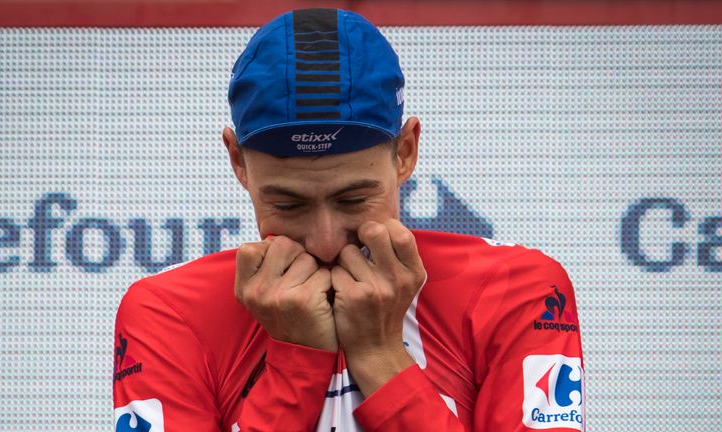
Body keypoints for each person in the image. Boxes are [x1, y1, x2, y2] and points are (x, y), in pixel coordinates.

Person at [113, 8, 585, 431]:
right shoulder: (167, 312)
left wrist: (381, 357)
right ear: (238, 162)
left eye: (354, 200)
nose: (322, 241)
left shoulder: (518, 290)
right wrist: (296, 366)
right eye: (289, 205)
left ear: (405, 152)